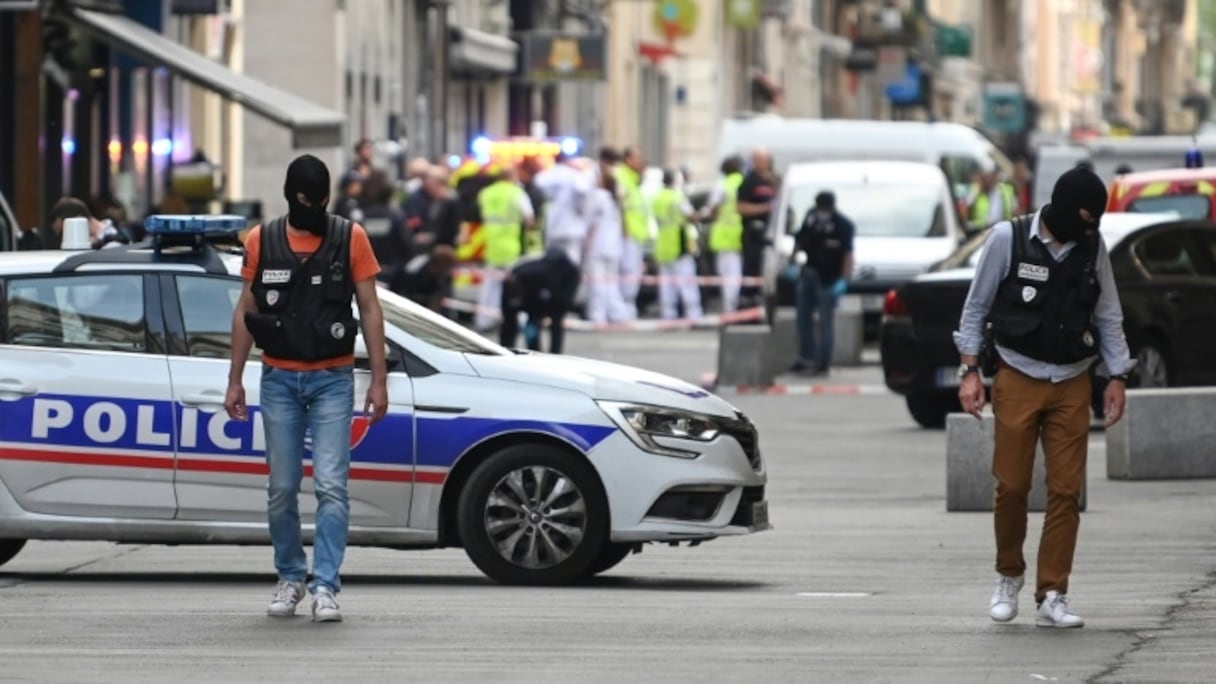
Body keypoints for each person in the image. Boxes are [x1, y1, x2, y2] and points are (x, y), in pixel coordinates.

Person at [954, 166, 1133, 629]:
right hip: (1017, 374)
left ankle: (1053, 591)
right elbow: (975, 307)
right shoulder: (1006, 239)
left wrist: (1117, 377)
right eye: (1082, 219)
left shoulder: (1093, 247)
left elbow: (1109, 316)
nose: (1086, 230)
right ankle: (1008, 575)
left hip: (1072, 380)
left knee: (1066, 492)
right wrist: (970, 372)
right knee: (1011, 486)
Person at [224, 154, 389, 624]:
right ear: (290, 198)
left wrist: (377, 379)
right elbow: (246, 309)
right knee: (282, 488)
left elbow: (371, 309)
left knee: (333, 486)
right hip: (277, 378)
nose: (314, 210)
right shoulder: (262, 239)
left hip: (333, 378)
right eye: (305, 202)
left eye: (321, 202)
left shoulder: (350, 238)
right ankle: (291, 577)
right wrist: (235, 377)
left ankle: (325, 586)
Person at [789, 191, 854, 375]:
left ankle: (822, 362)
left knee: (826, 321)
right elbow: (799, 239)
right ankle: (805, 358)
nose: (821, 211)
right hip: (809, 273)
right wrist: (792, 261)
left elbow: (847, 255)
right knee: (803, 319)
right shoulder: (811, 218)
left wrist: (844, 279)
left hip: (829, 279)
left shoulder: (843, 225)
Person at [474, 163, 535, 331]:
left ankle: (484, 319)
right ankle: (519, 321)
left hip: (492, 244)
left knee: (489, 286)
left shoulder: (486, 193)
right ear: (512, 176)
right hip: (510, 246)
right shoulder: (516, 193)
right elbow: (529, 219)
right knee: (515, 285)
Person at [499, 247, 581, 353]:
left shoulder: (567, 272)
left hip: (548, 295)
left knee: (553, 321)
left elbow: (565, 299)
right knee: (518, 324)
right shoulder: (525, 271)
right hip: (529, 292)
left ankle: (552, 355)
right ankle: (511, 351)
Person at [651, 168, 703, 321]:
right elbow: (691, 216)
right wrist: (702, 214)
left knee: (667, 284)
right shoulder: (677, 197)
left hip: (662, 245)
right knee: (687, 282)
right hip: (678, 245)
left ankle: (668, 315)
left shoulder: (657, 197)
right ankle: (693, 315)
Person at [584, 170, 632, 324]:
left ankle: (598, 315)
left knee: (597, 283)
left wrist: (587, 243)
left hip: (598, 246)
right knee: (611, 283)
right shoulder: (616, 200)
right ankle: (618, 313)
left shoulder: (599, 197)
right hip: (614, 246)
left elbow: (593, 223)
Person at [533, 150, 593, 266]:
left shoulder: (546, 176)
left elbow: (537, 187)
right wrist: (581, 209)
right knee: (571, 262)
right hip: (572, 228)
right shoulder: (574, 175)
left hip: (552, 227)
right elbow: (583, 191)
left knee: (552, 262)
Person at [735, 147, 779, 306]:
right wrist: (766, 208)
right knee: (751, 268)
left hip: (773, 233)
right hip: (754, 233)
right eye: (759, 160)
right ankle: (748, 301)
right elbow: (740, 208)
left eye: (765, 160)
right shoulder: (749, 182)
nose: (762, 164)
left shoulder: (773, 180)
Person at [705, 156, 746, 313]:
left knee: (728, 276)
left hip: (724, 236)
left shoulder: (722, 185)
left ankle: (730, 309)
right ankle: (736, 307)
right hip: (743, 234)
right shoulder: (744, 182)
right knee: (739, 275)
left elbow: (712, 209)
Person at [360, 171, 410, 292]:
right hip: (394, 272)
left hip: (369, 272)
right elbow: (407, 243)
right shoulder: (396, 216)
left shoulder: (365, 216)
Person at [616, 147, 649, 318]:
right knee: (628, 272)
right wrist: (624, 229)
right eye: (638, 158)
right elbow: (620, 205)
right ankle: (624, 308)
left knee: (633, 272)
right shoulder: (623, 177)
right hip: (627, 235)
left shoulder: (633, 180)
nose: (641, 162)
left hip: (635, 235)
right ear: (627, 160)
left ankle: (627, 308)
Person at [400, 244, 457, 312]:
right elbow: (404, 286)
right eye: (447, 263)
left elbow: (443, 297)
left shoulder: (446, 277)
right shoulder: (418, 265)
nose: (448, 267)